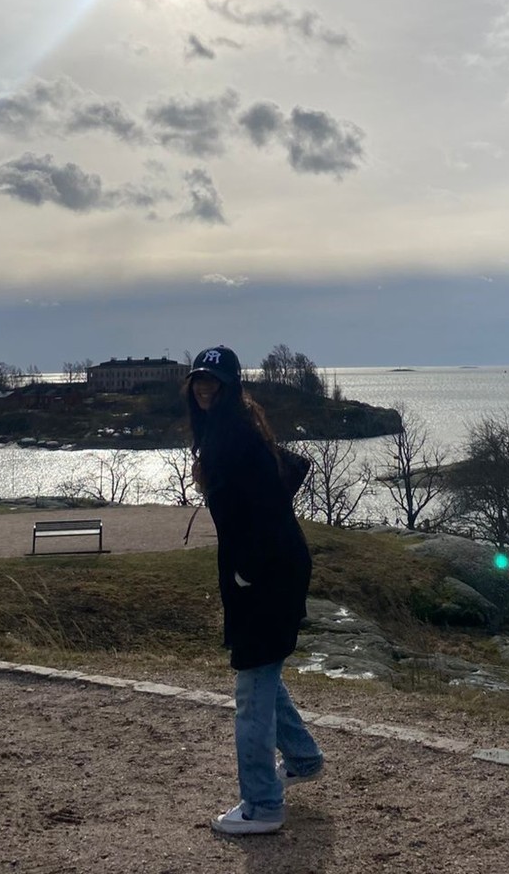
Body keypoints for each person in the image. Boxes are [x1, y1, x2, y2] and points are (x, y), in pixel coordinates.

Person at [185, 345, 324, 836]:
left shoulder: (235, 437)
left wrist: (247, 569)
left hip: (266, 573)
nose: (205, 388)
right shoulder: (231, 429)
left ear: (230, 386)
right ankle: (303, 757)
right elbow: (274, 485)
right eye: (199, 380)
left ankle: (263, 805)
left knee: (252, 687)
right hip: (272, 567)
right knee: (263, 670)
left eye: (214, 381)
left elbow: (263, 508)